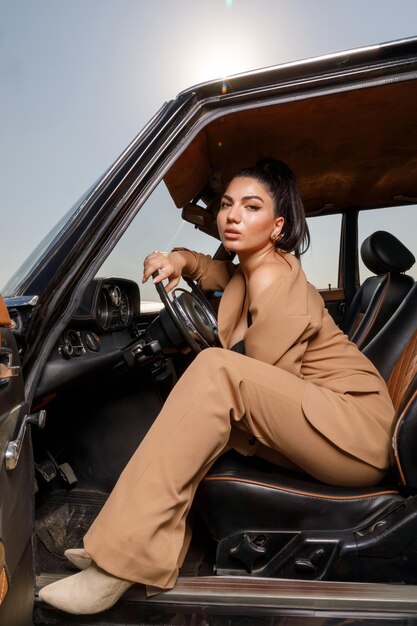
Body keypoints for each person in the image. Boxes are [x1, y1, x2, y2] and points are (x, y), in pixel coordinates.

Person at [39, 159, 395, 614]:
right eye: (227, 205)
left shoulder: (277, 279)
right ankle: (130, 540)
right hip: (329, 419)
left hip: (356, 431)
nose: (232, 216)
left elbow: (253, 386)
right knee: (208, 384)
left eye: (251, 207)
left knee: (214, 374)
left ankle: (120, 564)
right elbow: (207, 269)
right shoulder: (251, 268)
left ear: (277, 226)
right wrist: (176, 260)